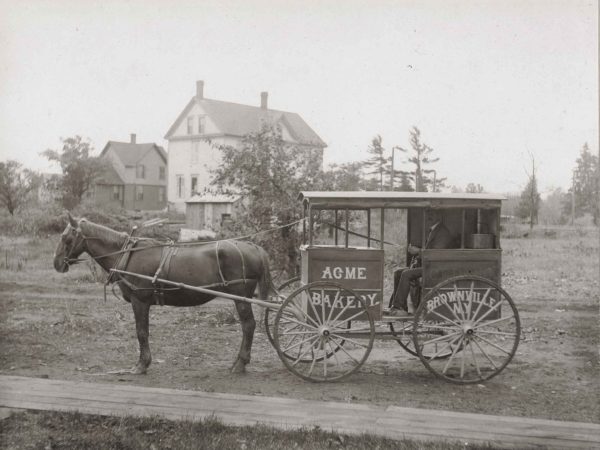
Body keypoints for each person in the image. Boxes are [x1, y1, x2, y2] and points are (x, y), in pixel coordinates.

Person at [388, 210, 454, 317]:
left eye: (433, 214)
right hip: (429, 266)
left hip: (436, 268)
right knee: (398, 273)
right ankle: (400, 307)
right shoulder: (433, 230)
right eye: (429, 214)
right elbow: (429, 251)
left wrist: (418, 251)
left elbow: (435, 254)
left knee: (406, 274)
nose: (430, 216)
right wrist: (417, 251)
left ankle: (399, 307)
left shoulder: (443, 233)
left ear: (439, 215)